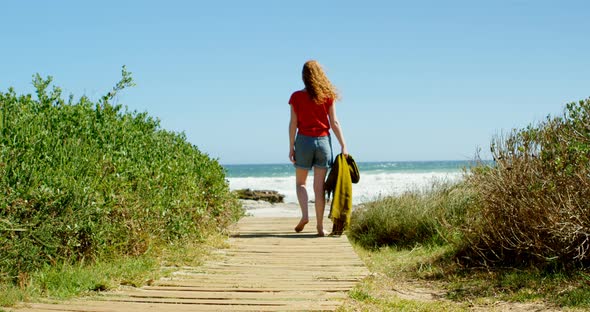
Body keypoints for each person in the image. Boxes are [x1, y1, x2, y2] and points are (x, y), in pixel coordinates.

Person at [288, 60, 348, 237]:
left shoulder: (296, 97)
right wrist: (344, 145)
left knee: (300, 183)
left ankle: (305, 215)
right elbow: (334, 122)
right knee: (319, 188)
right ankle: (320, 227)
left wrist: (291, 147)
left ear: (304, 77)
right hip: (323, 142)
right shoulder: (328, 96)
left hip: (304, 142)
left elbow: (293, 124)